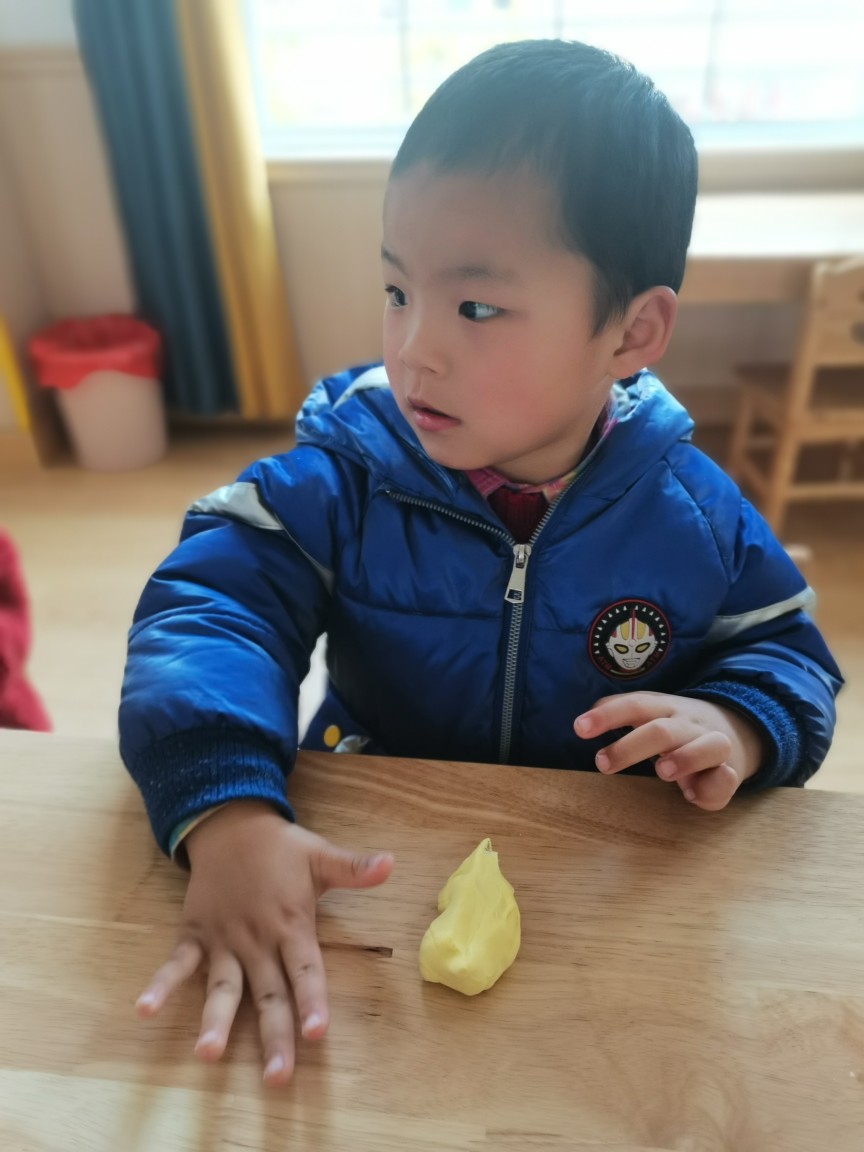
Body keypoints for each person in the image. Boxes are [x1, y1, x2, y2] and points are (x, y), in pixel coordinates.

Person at [120, 39, 842, 1086]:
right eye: (396, 289)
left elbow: (789, 655)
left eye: (475, 307)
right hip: (372, 851)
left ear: (632, 332)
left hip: (599, 891)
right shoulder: (345, 476)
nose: (415, 347)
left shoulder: (693, 514)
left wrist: (737, 722)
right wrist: (227, 808)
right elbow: (209, 607)